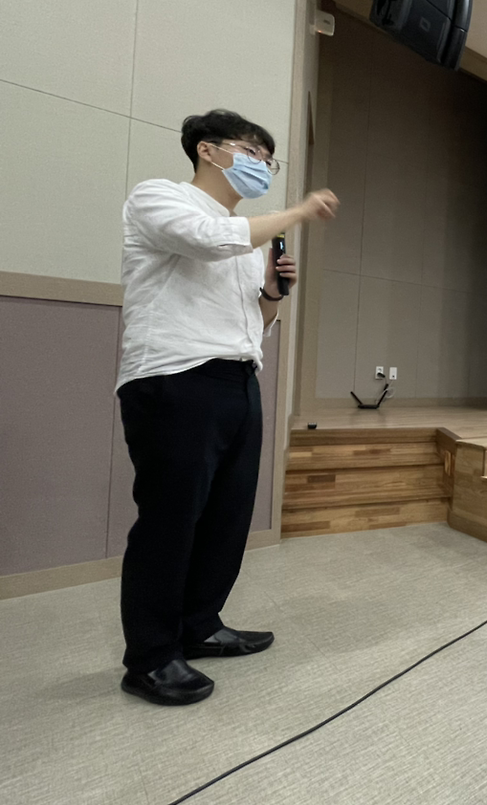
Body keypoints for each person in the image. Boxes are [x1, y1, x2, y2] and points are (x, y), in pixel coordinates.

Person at [115, 109, 338, 706]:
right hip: (174, 377)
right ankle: (150, 658)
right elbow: (209, 240)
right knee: (170, 520)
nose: (262, 164)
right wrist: (298, 211)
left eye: (268, 159)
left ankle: (200, 625)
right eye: (251, 152)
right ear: (208, 150)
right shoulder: (160, 197)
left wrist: (272, 293)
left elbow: (255, 325)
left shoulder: (248, 237)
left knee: (227, 515)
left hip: (238, 378)